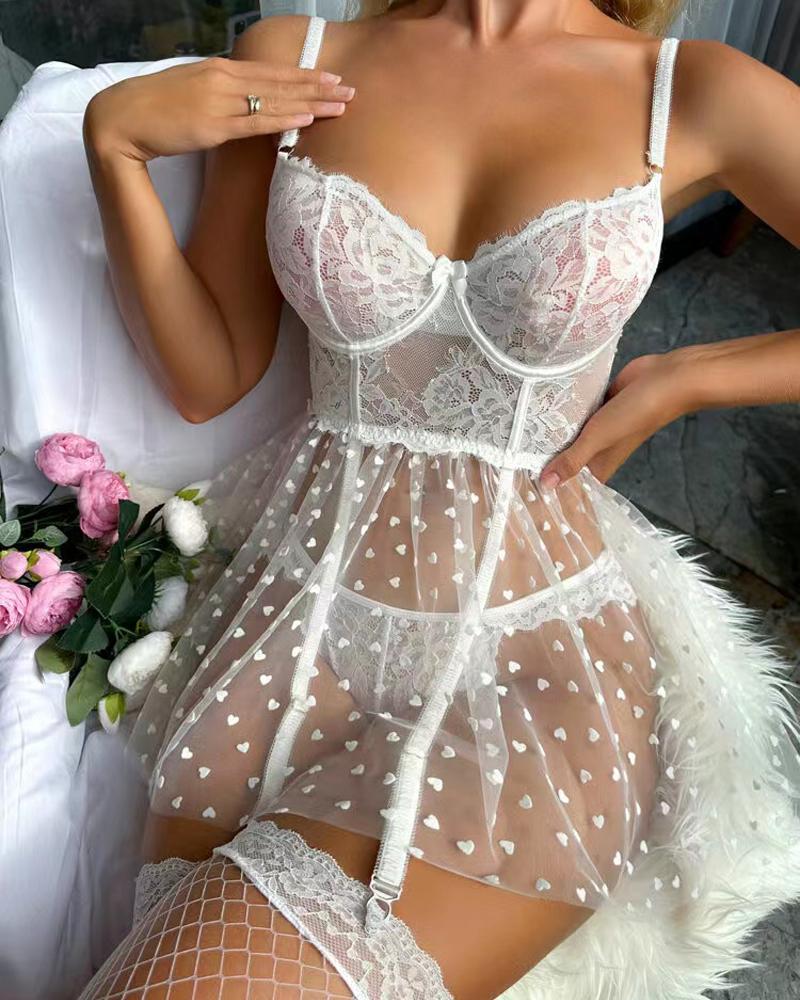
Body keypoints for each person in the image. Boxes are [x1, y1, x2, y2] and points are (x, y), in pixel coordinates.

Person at [78, 1, 800, 997]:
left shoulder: (690, 90)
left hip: (533, 660)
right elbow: (210, 374)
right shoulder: (296, 59)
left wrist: (695, 375)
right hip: (291, 639)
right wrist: (115, 151)